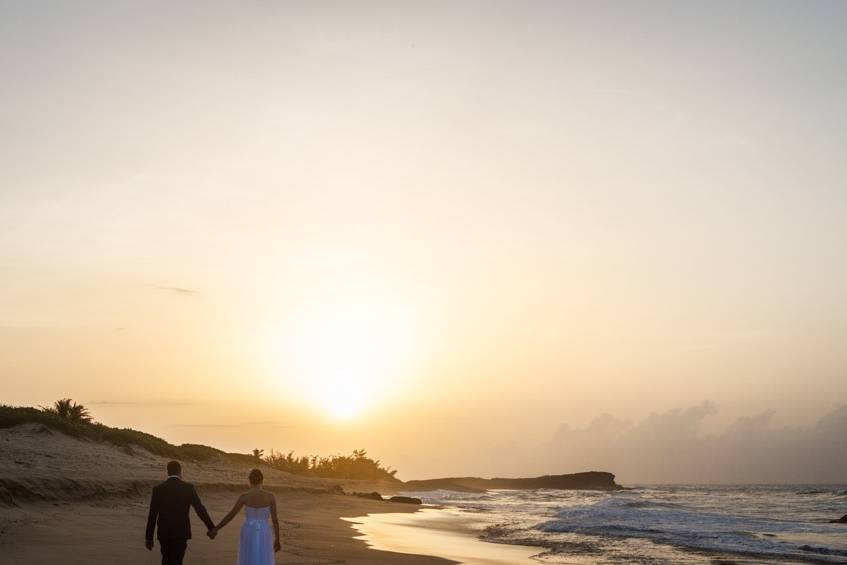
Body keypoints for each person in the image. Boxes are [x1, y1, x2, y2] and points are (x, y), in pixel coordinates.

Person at [145, 460, 217, 565]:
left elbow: (152, 515)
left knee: (166, 559)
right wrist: (211, 527)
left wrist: (149, 538)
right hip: (181, 532)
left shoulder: (158, 490)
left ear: (167, 472)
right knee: (178, 560)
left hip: (164, 533)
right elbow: (200, 509)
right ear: (180, 472)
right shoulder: (188, 488)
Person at [210, 468, 281, 564]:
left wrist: (216, 528)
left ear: (249, 481)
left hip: (248, 530)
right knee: (263, 557)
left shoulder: (244, 497)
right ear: (262, 480)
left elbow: (231, 515)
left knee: (248, 556)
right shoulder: (270, 497)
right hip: (264, 530)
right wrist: (277, 539)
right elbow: (275, 520)